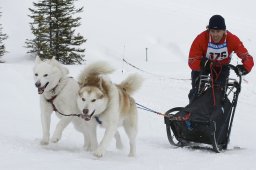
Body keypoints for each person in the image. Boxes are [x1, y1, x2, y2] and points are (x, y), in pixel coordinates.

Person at [188, 14, 254, 102]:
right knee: (196, 92)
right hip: (204, 66)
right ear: (208, 30)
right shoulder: (201, 39)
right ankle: (192, 111)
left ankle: (215, 113)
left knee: (218, 95)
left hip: (222, 67)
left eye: (218, 31)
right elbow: (192, 60)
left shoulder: (232, 39)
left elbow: (246, 57)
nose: (215, 35)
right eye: (212, 31)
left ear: (224, 30)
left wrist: (245, 68)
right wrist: (202, 63)